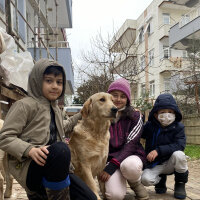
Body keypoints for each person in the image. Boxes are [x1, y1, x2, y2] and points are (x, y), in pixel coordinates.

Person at [0, 58, 97, 200]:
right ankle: (39, 194)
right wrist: (29, 150)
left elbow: (64, 127)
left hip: (56, 166)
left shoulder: (56, 109)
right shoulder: (25, 106)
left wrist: (82, 113)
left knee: (89, 197)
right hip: (31, 167)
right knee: (62, 149)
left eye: (59, 82)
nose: (55, 86)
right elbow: (4, 137)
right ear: (37, 81)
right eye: (49, 81)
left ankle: (48, 194)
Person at [98, 78, 149, 200]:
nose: (118, 99)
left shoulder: (135, 116)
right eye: (114, 95)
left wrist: (113, 165)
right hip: (110, 159)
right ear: (108, 96)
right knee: (114, 196)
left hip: (130, 156)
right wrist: (102, 166)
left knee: (130, 166)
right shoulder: (101, 116)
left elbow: (131, 144)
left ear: (127, 99)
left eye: (123, 96)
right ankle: (114, 182)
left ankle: (135, 183)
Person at [141, 93, 188, 199]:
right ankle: (160, 180)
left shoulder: (178, 127)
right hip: (155, 163)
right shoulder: (150, 126)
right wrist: (138, 118)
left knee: (180, 155)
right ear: (155, 114)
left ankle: (180, 183)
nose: (167, 115)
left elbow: (180, 145)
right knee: (145, 180)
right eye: (163, 112)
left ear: (175, 113)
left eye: (170, 112)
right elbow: (140, 133)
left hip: (171, 162)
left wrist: (158, 150)